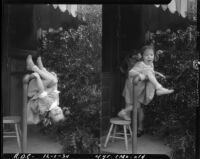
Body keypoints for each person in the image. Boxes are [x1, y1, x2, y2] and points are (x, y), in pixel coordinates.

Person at [118, 45, 174, 136]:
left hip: (140, 88)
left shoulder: (150, 63)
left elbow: (150, 71)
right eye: (146, 55)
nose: (149, 57)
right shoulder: (138, 63)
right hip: (131, 85)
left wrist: (157, 73)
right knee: (133, 105)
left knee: (138, 107)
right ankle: (127, 127)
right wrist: (142, 72)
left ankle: (132, 122)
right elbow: (130, 72)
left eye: (151, 55)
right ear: (142, 56)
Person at [26, 55, 65, 124]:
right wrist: (53, 77)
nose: (57, 111)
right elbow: (54, 89)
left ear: (50, 115)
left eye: (55, 114)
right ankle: (41, 68)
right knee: (54, 80)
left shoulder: (48, 105)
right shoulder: (56, 103)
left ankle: (34, 67)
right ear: (62, 110)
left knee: (53, 80)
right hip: (40, 88)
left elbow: (42, 92)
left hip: (34, 90)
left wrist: (38, 78)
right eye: (60, 113)